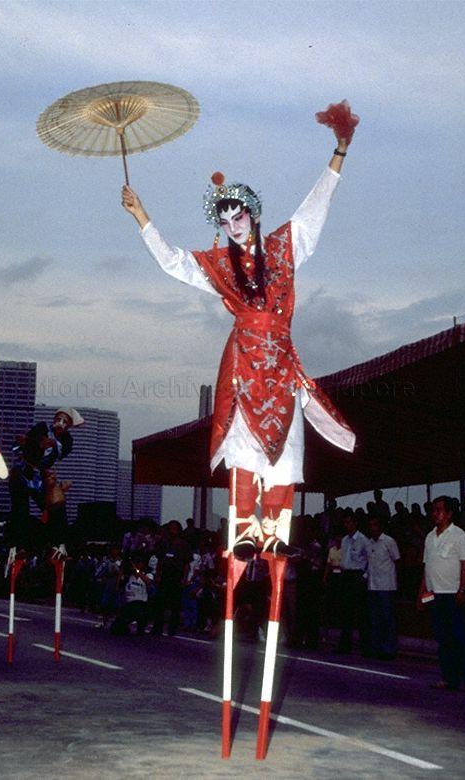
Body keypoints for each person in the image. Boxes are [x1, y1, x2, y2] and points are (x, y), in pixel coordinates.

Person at [122, 102, 358, 561]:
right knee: (242, 439)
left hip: (281, 358)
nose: (233, 228)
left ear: (253, 214)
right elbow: (173, 262)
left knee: (288, 439)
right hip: (244, 359)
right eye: (225, 223)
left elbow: (315, 208)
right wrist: (142, 217)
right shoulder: (219, 266)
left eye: (240, 219)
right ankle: (245, 528)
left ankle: (275, 527)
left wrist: (339, 154)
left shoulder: (284, 246)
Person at [8, 407, 84, 560]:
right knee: (20, 509)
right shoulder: (42, 427)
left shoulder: (67, 439)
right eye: (58, 419)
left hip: (41, 478)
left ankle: (58, 546)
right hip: (23, 472)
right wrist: (23, 442)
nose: (60, 423)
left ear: (68, 426)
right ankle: (19, 547)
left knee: (56, 507)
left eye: (65, 421)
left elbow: (63, 452)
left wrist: (54, 445)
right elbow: (19, 445)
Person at [418, 496, 465, 690]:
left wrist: (463, 589)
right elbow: (426, 567)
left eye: (439, 510)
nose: (435, 514)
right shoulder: (430, 537)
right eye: (433, 510)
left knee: (459, 637)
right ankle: (448, 678)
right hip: (434, 593)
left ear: (449, 513)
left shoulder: (459, 535)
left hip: (452, 594)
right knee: (442, 639)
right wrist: (421, 593)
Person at [367, 516, 400, 659]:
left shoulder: (389, 541)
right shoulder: (369, 543)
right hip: (372, 585)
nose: (372, 528)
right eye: (370, 526)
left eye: (374, 525)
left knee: (388, 619)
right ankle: (376, 648)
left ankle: (389, 650)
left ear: (380, 527)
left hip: (386, 586)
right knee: (375, 620)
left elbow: (397, 560)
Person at [337, 513, 371, 656]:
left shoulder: (363, 540)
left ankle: (365, 647)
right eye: (345, 523)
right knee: (346, 612)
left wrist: (365, 576)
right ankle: (345, 645)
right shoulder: (344, 540)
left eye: (349, 522)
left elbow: (371, 560)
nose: (347, 525)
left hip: (358, 576)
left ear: (355, 523)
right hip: (346, 575)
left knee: (361, 613)